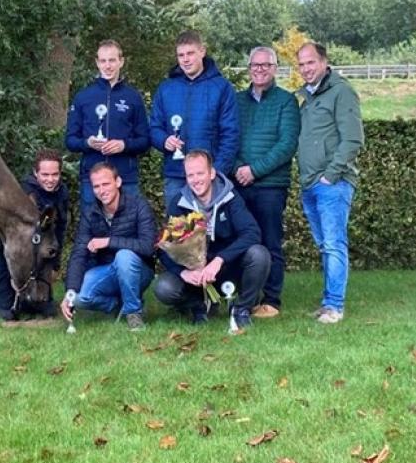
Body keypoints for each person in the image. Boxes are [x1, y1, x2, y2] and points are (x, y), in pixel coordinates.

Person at [155, 150, 270, 329]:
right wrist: (183, 273)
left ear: (212, 173)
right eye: (190, 175)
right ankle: (197, 306)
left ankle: (242, 309)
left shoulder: (230, 197)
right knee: (164, 288)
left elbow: (252, 232)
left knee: (259, 254)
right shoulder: (179, 203)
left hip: (226, 267)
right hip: (195, 276)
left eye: (200, 173)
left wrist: (219, 260)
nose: (195, 179)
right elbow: (164, 250)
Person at [296, 42, 364, 324]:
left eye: (310, 62)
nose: (306, 69)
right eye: (301, 64)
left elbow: (353, 139)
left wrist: (330, 174)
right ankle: (327, 303)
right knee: (325, 245)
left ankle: (335, 306)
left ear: (324, 62)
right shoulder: (308, 98)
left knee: (334, 244)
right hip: (311, 184)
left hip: (332, 184)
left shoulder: (341, 92)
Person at [233, 46, 300, 319]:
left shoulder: (286, 101)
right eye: (255, 65)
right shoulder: (237, 101)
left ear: (275, 68)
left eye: (266, 65)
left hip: (270, 186)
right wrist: (238, 168)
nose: (259, 70)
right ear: (249, 68)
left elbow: (286, 145)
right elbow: (228, 137)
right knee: (240, 242)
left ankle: (271, 299)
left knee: (270, 242)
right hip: (238, 183)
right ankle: (242, 295)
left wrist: (255, 170)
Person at [0, 149, 69, 320]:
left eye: (55, 174)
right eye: (45, 174)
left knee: (46, 310)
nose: (50, 179)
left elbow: (60, 228)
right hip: (11, 255)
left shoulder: (62, 193)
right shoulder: (23, 192)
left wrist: (55, 264)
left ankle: (26, 300)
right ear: (36, 173)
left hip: (40, 257)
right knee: (5, 313)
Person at [60, 162, 156, 331]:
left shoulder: (139, 205)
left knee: (124, 256)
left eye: (106, 184)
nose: (101, 190)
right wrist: (70, 291)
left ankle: (134, 314)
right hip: (108, 270)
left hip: (139, 270)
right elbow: (79, 254)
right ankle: (119, 305)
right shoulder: (90, 213)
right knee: (79, 298)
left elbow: (149, 246)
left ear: (117, 182)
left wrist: (109, 241)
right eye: (96, 186)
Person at [149, 30, 239, 210]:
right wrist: (163, 140)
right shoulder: (166, 88)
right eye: (181, 55)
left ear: (202, 51)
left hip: (209, 178)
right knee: (177, 233)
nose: (185, 59)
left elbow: (231, 134)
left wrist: (217, 171)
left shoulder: (221, 87)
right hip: (176, 174)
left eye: (190, 53)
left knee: (212, 234)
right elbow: (154, 126)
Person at [65, 39, 150, 211]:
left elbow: (145, 141)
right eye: (103, 61)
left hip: (125, 178)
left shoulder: (133, 97)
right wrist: (87, 143)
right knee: (93, 231)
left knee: (127, 231)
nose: (108, 66)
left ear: (121, 61)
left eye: (112, 60)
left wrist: (123, 145)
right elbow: (70, 140)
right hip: (92, 179)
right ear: (97, 63)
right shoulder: (83, 97)